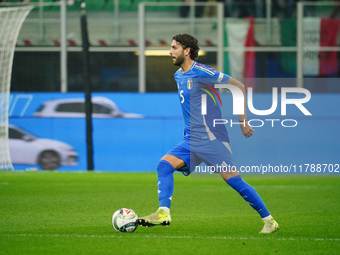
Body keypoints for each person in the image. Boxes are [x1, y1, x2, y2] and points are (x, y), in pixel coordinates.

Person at [137, 34, 279, 234]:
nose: (170, 51)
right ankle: (163, 212)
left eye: (174, 47)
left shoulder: (202, 72)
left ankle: (269, 221)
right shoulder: (178, 75)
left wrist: (242, 120)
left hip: (212, 138)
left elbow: (238, 87)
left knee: (233, 179)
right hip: (191, 139)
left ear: (187, 51)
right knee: (164, 165)